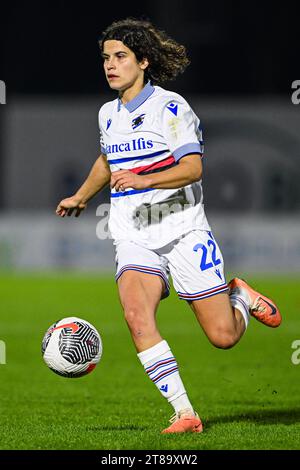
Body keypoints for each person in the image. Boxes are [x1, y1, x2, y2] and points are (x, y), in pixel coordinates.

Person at [56, 18, 282, 434]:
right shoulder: (108, 114)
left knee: (223, 337)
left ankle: (238, 295)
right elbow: (107, 160)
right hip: (133, 234)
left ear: (143, 61)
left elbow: (193, 168)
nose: (111, 65)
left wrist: (145, 179)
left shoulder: (171, 107)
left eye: (120, 57)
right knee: (136, 316)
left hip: (182, 231)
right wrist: (82, 196)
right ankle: (184, 413)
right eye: (106, 58)